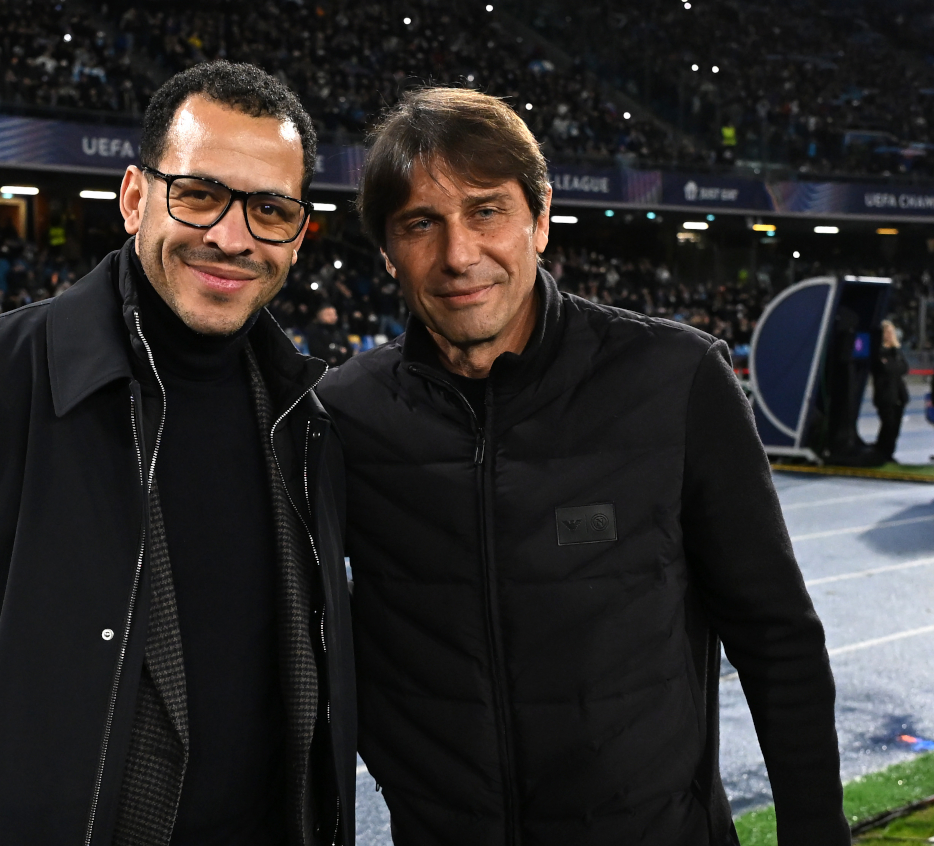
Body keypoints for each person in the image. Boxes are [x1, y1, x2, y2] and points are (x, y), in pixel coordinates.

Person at [0, 61, 355, 846]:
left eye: (269, 209)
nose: (231, 237)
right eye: (199, 194)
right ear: (135, 197)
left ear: (299, 235)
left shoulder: (306, 416)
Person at [317, 87, 848, 845]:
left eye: (487, 211)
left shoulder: (675, 380)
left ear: (540, 219)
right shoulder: (345, 415)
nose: (459, 255)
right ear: (387, 251)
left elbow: (777, 638)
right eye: (420, 224)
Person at [871, 319, 909, 464]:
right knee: (888, 425)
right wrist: (894, 367)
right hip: (885, 395)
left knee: (895, 427)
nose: (889, 335)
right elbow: (888, 369)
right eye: (886, 332)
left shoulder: (896, 351)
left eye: (891, 332)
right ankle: (882, 452)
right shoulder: (878, 352)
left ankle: (889, 453)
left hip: (899, 395)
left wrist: (893, 366)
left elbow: (904, 368)